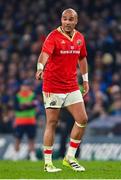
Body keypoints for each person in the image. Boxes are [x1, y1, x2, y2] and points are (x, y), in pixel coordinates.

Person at [36, 8, 89, 172]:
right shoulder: (53, 36)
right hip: (53, 85)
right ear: (61, 20)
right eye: (64, 19)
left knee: (82, 119)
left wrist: (85, 80)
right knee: (52, 123)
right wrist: (40, 68)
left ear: (76, 20)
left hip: (71, 85)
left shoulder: (80, 38)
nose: (67, 22)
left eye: (70, 19)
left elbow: (82, 58)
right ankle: (48, 163)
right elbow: (44, 54)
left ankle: (70, 157)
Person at [13, 81, 38, 161]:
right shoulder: (17, 96)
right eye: (24, 86)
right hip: (20, 122)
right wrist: (27, 105)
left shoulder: (32, 95)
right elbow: (16, 108)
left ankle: (32, 155)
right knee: (18, 139)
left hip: (31, 121)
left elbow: (35, 104)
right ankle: (16, 155)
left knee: (31, 139)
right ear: (21, 87)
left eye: (27, 86)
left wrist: (24, 106)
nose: (25, 88)